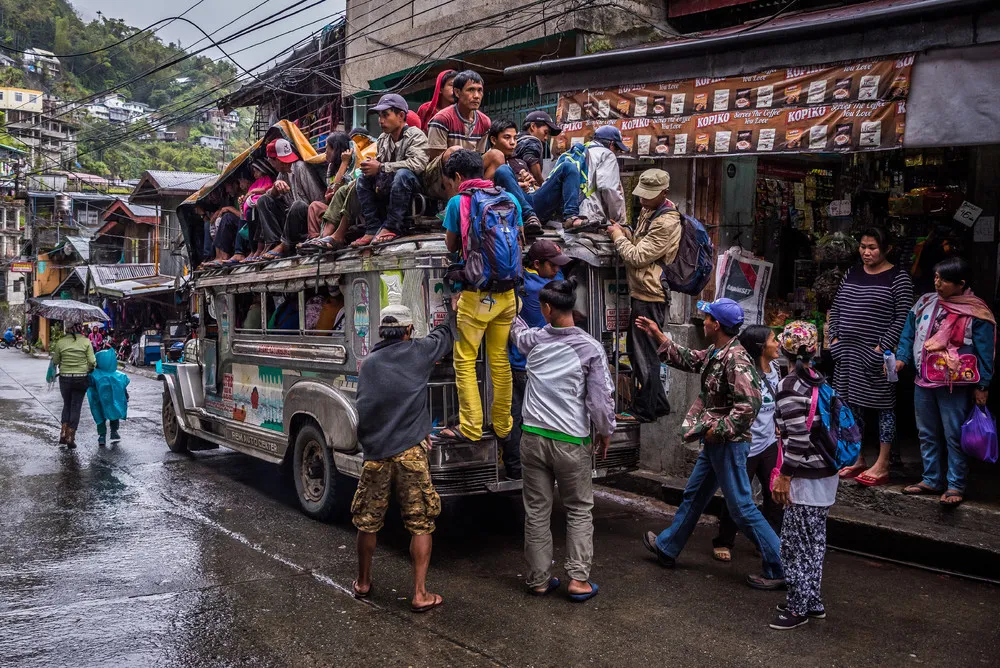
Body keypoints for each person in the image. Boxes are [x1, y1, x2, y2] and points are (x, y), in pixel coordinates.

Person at [637, 298, 784, 588]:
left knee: (742, 508)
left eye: (706, 318)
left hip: (727, 443)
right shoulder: (720, 350)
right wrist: (658, 335)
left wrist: (718, 431)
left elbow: (748, 406)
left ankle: (780, 565)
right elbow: (691, 359)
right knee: (694, 496)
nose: (702, 321)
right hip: (716, 440)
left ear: (716, 325)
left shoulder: (737, 360)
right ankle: (668, 547)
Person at [510, 278, 616, 602]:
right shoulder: (590, 348)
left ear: (546, 309)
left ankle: (538, 580)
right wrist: (606, 432)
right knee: (579, 509)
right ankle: (578, 580)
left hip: (532, 438)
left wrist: (508, 302)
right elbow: (600, 402)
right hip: (571, 441)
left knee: (537, 511)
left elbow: (515, 331)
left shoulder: (534, 339)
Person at [352, 303, 454, 613]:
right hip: (411, 453)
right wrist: (454, 308)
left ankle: (364, 582)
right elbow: (447, 334)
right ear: (408, 331)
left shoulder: (368, 364)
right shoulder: (418, 351)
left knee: (367, 523)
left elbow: (365, 411)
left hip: (377, 454)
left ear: (382, 332)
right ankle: (420, 594)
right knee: (420, 524)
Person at [894, 256, 995, 507]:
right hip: (923, 380)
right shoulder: (925, 302)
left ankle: (955, 484)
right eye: (936, 277)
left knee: (953, 435)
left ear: (960, 284)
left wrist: (983, 386)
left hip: (955, 386)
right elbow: (909, 334)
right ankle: (931, 478)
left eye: (944, 280)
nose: (937, 283)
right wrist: (901, 359)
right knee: (926, 433)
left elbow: (985, 352)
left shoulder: (976, 311)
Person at [437, 149, 522, 443]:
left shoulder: (458, 202)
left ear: (458, 176)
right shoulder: (508, 198)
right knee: (500, 358)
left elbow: (451, 246)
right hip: (508, 294)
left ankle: (471, 427)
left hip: (477, 295)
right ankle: (503, 424)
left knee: (465, 360)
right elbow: (519, 236)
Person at [828, 228, 914, 486]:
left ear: (886, 249)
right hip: (847, 353)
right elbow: (837, 306)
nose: (866, 252)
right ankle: (857, 458)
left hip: (876, 355)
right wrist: (834, 339)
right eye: (863, 246)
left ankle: (883, 462)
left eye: (872, 247)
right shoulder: (852, 273)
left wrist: (881, 347)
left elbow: (903, 317)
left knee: (883, 408)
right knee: (849, 406)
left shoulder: (898, 278)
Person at [770, 321, 839, 630]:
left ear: (784, 350)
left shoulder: (789, 386)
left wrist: (784, 477)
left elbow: (797, 440)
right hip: (825, 474)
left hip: (805, 476)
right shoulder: (820, 380)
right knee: (814, 542)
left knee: (795, 545)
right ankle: (812, 600)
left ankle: (798, 608)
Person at [606, 168, 681, 423]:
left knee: (644, 355)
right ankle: (657, 403)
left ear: (664, 193)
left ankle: (644, 410)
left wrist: (617, 237)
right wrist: (626, 233)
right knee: (639, 351)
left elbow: (637, 256)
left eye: (648, 196)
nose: (642, 200)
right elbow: (639, 243)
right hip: (642, 291)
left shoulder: (667, 221)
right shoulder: (650, 211)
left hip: (651, 296)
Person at [712, 325, 783, 562]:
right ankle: (724, 540)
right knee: (739, 495)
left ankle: (768, 541)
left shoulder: (776, 369)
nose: (779, 343)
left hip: (769, 443)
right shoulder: (744, 373)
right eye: (774, 339)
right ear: (761, 347)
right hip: (746, 443)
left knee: (774, 494)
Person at [505, 239, 570, 479]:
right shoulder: (550, 285)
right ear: (536, 264)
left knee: (519, 417)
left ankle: (516, 468)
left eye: (557, 266)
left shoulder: (525, 283)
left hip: (525, 365)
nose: (556, 270)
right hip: (534, 367)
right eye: (552, 266)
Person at [351, 94, 429, 248]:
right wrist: (371, 168)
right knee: (362, 179)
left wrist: (381, 167)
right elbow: (380, 165)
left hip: (412, 186)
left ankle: (392, 227)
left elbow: (418, 164)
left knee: (402, 174)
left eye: (385, 115)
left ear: (401, 116)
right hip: (390, 187)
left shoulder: (416, 135)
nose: (380, 120)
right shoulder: (382, 139)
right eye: (380, 116)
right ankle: (372, 228)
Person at [423, 70, 491, 202]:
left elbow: (478, 156)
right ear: (457, 92)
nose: (476, 96)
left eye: (479, 90)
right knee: (455, 152)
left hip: (470, 171)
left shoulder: (485, 122)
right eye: (470, 90)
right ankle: (455, 205)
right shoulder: (442, 118)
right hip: (438, 176)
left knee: (496, 155)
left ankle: (481, 200)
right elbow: (436, 158)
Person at [256, 137, 326, 259]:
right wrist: (275, 189)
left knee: (298, 205)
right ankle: (274, 243)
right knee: (263, 200)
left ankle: (283, 245)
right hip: (290, 222)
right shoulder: (282, 174)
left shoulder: (301, 168)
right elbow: (268, 197)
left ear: (277, 160)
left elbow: (318, 199)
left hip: (306, 220)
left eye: (271, 160)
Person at [563, 125, 628, 232]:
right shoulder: (606, 154)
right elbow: (609, 188)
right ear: (611, 143)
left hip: (570, 216)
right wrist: (617, 220)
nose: (616, 152)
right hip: (591, 217)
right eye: (616, 148)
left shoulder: (579, 152)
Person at [483, 119, 542, 233]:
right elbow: (483, 189)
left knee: (567, 167)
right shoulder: (487, 159)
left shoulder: (519, 162)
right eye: (507, 137)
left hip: (529, 200)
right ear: (494, 140)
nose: (512, 142)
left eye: (515, 138)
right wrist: (515, 186)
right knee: (503, 170)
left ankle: (570, 216)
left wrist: (533, 185)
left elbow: (535, 188)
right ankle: (529, 216)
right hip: (507, 208)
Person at [50, 322, 97, 449]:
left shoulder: (61, 342)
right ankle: (71, 436)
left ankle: (63, 433)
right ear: (80, 329)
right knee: (76, 406)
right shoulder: (86, 341)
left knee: (67, 404)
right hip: (81, 378)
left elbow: (55, 361)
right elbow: (92, 361)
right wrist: (89, 369)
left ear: (68, 329)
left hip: (65, 378)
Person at [88, 347, 129, 447]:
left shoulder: (94, 375)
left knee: (99, 416)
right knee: (114, 414)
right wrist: (126, 395)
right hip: (113, 401)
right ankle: (114, 431)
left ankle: (102, 436)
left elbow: (88, 384)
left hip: (98, 401)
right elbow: (123, 388)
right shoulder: (119, 376)